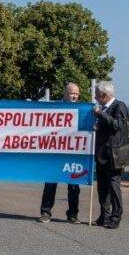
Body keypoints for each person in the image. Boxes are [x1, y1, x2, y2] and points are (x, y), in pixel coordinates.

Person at [38, 83, 82, 223]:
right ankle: (46, 212)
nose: (74, 96)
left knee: (74, 185)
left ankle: (72, 214)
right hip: (55, 153)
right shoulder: (55, 108)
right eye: (71, 93)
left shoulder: (82, 109)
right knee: (50, 183)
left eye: (76, 93)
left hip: (73, 154)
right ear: (65, 94)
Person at [93, 80, 129, 230]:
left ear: (104, 95)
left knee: (114, 186)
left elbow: (117, 125)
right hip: (102, 154)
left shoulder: (118, 106)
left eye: (97, 94)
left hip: (116, 154)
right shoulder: (102, 108)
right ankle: (104, 215)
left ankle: (116, 216)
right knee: (102, 187)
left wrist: (101, 114)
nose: (95, 97)